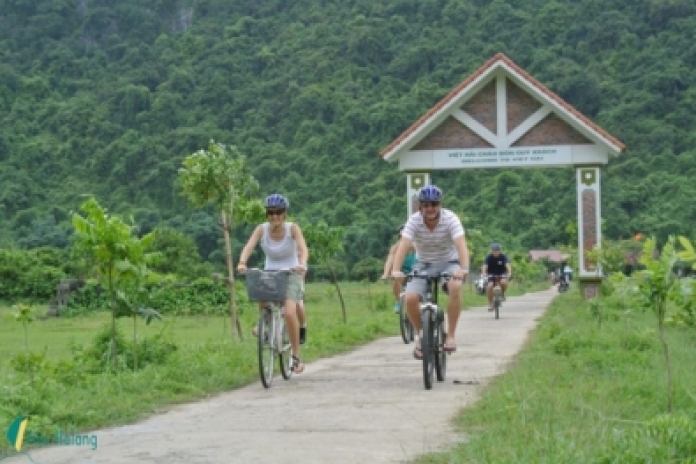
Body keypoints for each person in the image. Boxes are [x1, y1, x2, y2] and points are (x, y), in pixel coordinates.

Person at [390, 184, 470, 358]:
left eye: (434, 204)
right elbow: (403, 246)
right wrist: (396, 270)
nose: (430, 209)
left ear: (440, 205)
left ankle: (450, 336)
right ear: (420, 207)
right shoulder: (414, 220)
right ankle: (421, 335)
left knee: (455, 287)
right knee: (410, 298)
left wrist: (463, 269)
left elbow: (461, 245)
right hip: (423, 263)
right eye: (426, 205)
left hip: (449, 262)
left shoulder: (451, 219)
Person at [237, 194, 309, 373]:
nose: (274, 216)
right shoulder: (261, 229)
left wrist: (302, 264)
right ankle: (265, 326)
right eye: (271, 213)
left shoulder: (293, 229)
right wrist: (242, 262)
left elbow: (302, 248)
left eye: (278, 212)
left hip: (291, 272)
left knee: (290, 312)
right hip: (270, 271)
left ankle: (295, 357)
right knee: (261, 294)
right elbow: (249, 246)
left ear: (285, 214)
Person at [381, 225, 417, 313]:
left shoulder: (415, 246)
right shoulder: (395, 248)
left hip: (416, 272)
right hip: (402, 273)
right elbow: (389, 261)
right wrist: (386, 274)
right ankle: (399, 302)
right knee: (397, 279)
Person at [482, 243, 512, 311]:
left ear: (499, 250)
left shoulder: (503, 257)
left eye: (497, 250)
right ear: (492, 251)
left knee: (503, 282)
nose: (495, 252)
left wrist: (509, 273)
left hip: (502, 273)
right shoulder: (488, 257)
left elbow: (507, 265)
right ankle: (490, 303)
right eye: (494, 250)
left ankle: (503, 293)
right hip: (491, 274)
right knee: (489, 286)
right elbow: (485, 266)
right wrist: (484, 273)